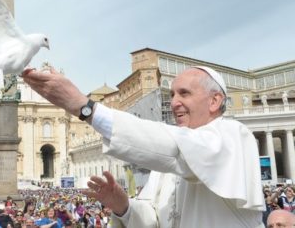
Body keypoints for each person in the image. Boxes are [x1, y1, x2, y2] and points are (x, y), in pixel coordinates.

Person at [23, 66, 265, 227]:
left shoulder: (234, 135)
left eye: (184, 93)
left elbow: (175, 148)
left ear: (215, 100)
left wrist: (86, 109)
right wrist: (123, 206)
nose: (174, 103)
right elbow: (152, 220)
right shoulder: (167, 164)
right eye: (172, 95)